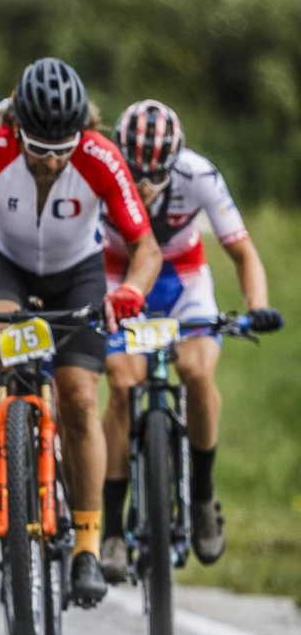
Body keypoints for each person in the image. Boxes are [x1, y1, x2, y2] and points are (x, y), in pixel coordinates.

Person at [0, 57, 162, 607]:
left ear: (82, 131)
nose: (51, 160)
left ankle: (87, 545)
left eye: (63, 148)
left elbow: (146, 248)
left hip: (77, 274)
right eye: (39, 148)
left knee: (80, 398)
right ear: (16, 128)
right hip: (7, 265)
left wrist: (131, 292)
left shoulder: (100, 157)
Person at [98, 100, 283, 580]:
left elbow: (243, 252)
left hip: (182, 280)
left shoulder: (199, 174)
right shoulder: (100, 171)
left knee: (197, 371)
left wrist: (257, 306)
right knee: (122, 383)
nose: (144, 185)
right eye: (135, 172)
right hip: (118, 276)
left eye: (155, 175)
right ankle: (112, 526)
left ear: (175, 160)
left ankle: (201, 495)